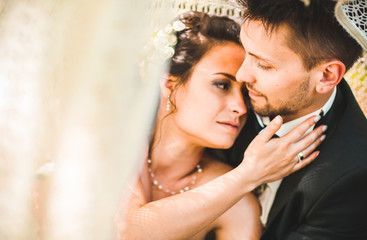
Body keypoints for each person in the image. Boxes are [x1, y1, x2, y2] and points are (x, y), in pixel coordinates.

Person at [117, 11, 327, 240]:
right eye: (221, 84)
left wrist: (248, 176)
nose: (241, 107)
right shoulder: (113, 144)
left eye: (245, 94)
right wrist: (250, 174)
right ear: (169, 82)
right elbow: (128, 231)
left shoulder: (239, 207)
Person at [221, 0, 367, 239]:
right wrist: (248, 175)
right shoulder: (221, 92)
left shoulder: (355, 176)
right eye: (245, 51)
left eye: (264, 65)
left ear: (327, 76)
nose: (241, 74)